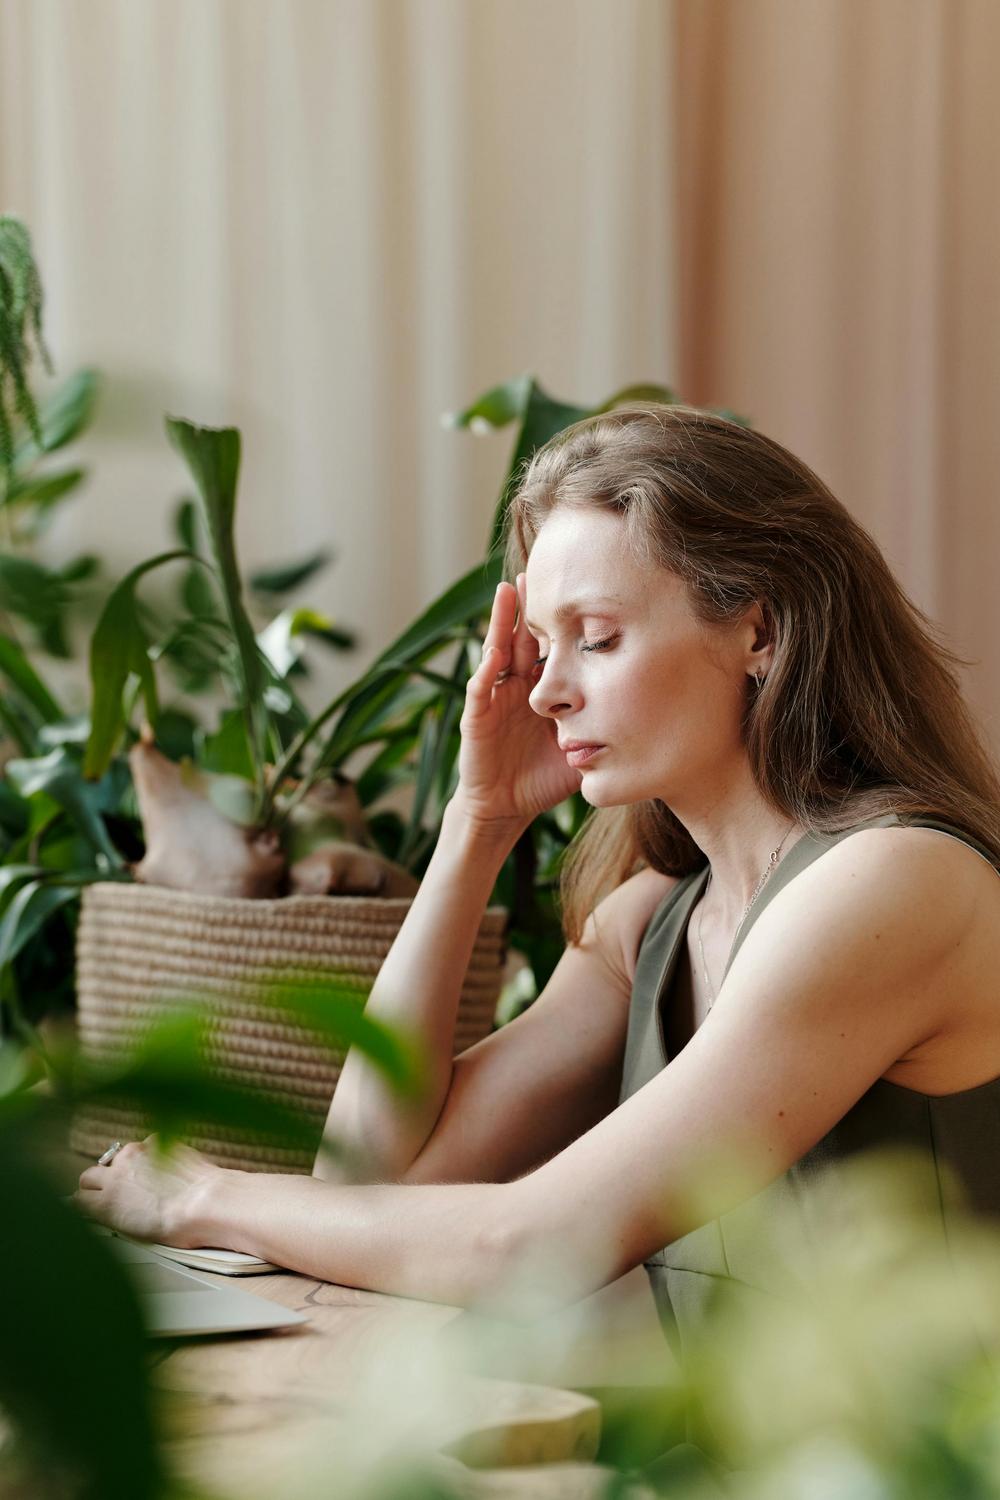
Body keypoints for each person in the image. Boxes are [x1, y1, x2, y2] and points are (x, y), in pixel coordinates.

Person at [77, 403, 1000, 1361]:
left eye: (597, 636)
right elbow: (366, 1184)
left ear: (758, 631)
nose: (549, 689)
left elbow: (530, 1243)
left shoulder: (897, 882)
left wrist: (196, 1194)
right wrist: (480, 821)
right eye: (543, 648)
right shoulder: (654, 918)